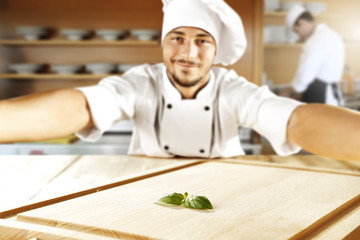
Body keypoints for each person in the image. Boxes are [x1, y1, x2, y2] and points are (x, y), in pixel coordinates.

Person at [0, 0, 359, 161]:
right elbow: (84, 105)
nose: (188, 52)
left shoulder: (232, 89)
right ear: (163, 42)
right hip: (144, 200)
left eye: (202, 40)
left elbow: (292, 119)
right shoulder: (140, 83)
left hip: (224, 201)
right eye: (177, 37)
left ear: (216, 51)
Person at [280, 4, 345, 106]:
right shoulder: (333, 35)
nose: (299, 36)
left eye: (297, 31)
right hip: (333, 98)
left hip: (321, 99)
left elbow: (304, 77)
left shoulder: (315, 40)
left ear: (301, 22)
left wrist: (287, 92)